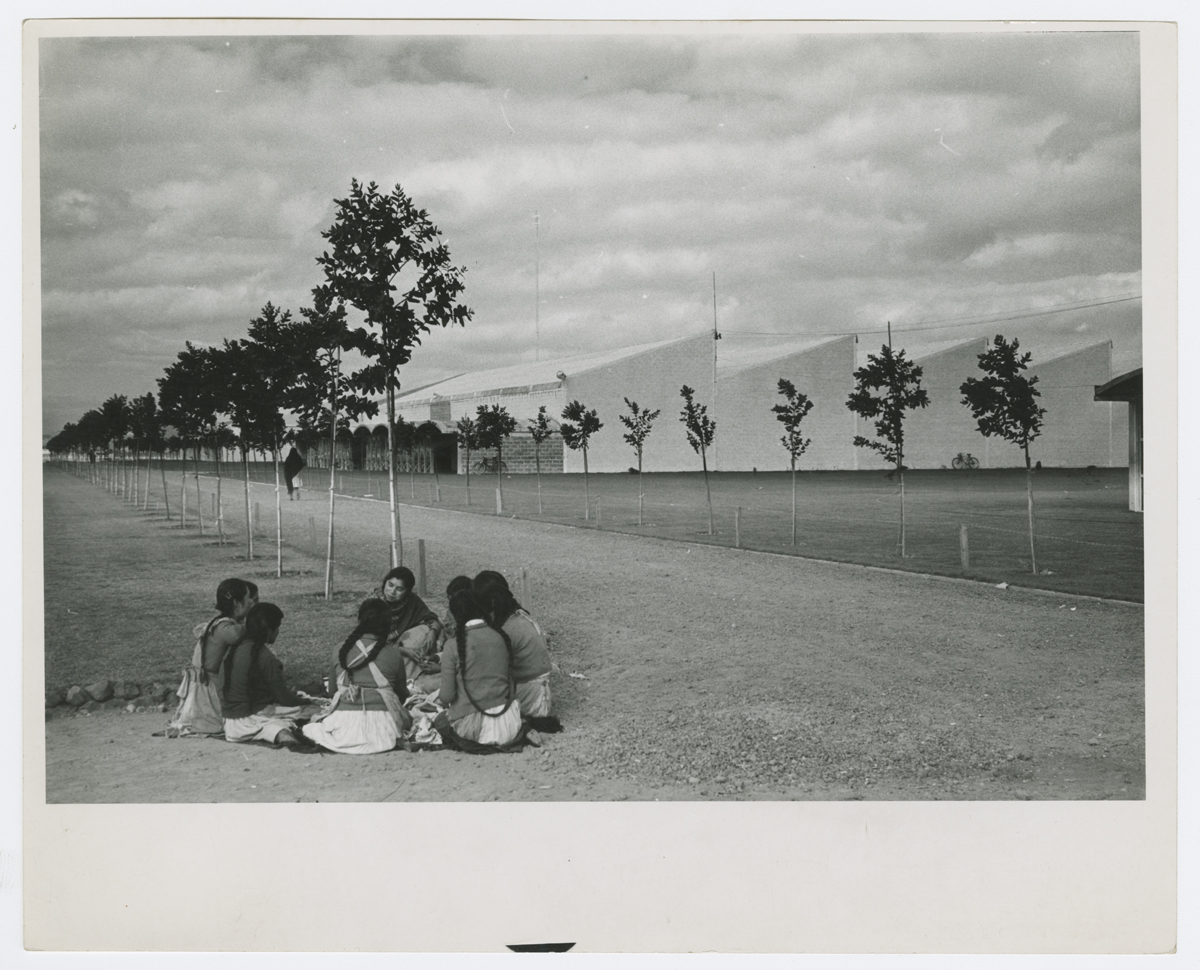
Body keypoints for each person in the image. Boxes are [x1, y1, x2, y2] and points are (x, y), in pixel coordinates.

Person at [303, 599, 413, 754]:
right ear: (388, 624)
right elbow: (402, 695)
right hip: (385, 728)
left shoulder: (339, 649)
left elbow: (332, 692)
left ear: (360, 620)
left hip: (344, 726)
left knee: (311, 728)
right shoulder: (394, 653)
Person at [168, 578, 255, 736]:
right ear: (237, 603)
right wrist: (256, 622)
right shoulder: (225, 628)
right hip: (207, 687)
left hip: (207, 683)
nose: (251, 602)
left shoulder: (220, 623)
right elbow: (236, 635)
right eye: (248, 598)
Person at [438, 590, 522, 748]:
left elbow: (446, 697)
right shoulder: (501, 636)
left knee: (439, 721)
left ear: (455, 616)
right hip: (510, 724)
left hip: (474, 729)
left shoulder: (451, 646)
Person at [221, 602, 309, 747]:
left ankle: (276, 732)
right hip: (249, 720)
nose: (278, 631)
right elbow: (286, 700)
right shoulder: (266, 658)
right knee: (314, 711)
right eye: (278, 627)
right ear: (269, 630)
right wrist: (306, 702)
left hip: (229, 724)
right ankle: (280, 732)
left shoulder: (233, 650)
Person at [473, 570, 554, 720]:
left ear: (490, 602)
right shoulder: (518, 616)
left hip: (533, 699)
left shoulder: (508, 629)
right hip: (538, 692)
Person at [380, 566, 443, 683]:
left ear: (407, 592)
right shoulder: (373, 603)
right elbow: (372, 642)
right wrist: (404, 650)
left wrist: (433, 633)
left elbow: (432, 620)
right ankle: (406, 679)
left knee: (425, 631)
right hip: (379, 653)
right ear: (385, 583)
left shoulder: (411, 601)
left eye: (399, 589)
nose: (392, 592)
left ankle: (415, 674)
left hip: (400, 648)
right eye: (390, 585)